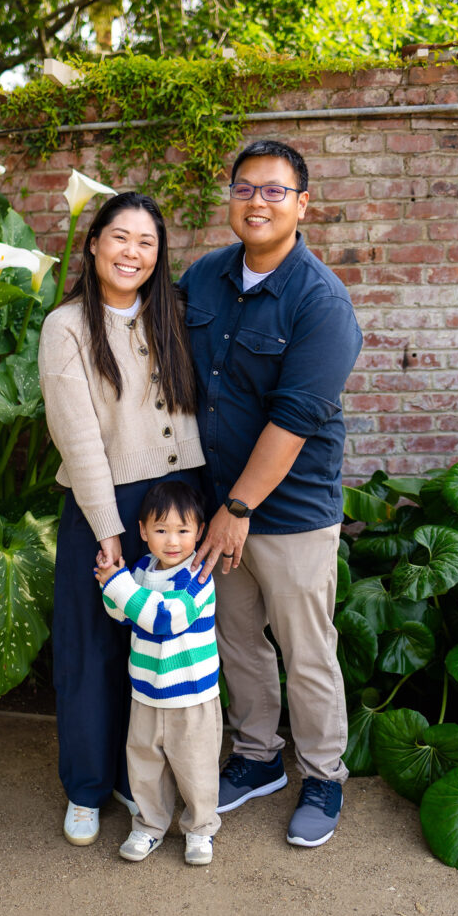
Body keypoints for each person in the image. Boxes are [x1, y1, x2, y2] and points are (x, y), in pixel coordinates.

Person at [177, 139, 363, 848]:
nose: (257, 201)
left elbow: (293, 420)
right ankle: (255, 758)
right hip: (217, 504)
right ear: (230, 198)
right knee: (236, 639)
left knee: (304, 646)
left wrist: (237, 510)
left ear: (301, 204)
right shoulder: (204, 278)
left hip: (284, 513)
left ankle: (321, 774)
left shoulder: (321, 302)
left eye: (274, 191)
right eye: (244, 188)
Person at [38, 192, 205, 846]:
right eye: (120, 237)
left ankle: (144, 784)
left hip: (179, 507)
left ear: (158, 255)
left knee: (164, 649)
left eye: (146, 242)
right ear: (94, 244)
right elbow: (76, 437)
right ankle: (85, 787)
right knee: (90, 649)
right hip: (103, 507)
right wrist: (108, 529)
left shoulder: (177, 316)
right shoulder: (68, 327)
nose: (132, 252)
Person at [94, 480, 221, 866]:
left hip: (191, 696)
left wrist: (119, 587)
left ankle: (199, 829)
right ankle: (149, 825)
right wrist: (112, 582)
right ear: (143, 531)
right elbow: (122, 612)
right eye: (161, 529)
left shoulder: (197, 578)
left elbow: (164, 618)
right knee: (145, 765)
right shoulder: (142, 570)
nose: (172, 541)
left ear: (199, 532)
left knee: (195, 767)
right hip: (147, 692)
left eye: (183, 530)